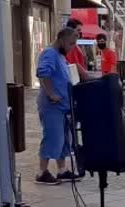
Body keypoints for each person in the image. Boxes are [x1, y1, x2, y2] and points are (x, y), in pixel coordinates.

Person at [34, 27, 82, 185]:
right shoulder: (50, 53)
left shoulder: (61, 56)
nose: (72, 47)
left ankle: (62, 170)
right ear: (61, 40)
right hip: (52, 105)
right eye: (71, 43)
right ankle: (42, 172)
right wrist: (51, 93)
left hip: (62, 106)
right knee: (53, 137)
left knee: (63, 139)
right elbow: (43, 72)